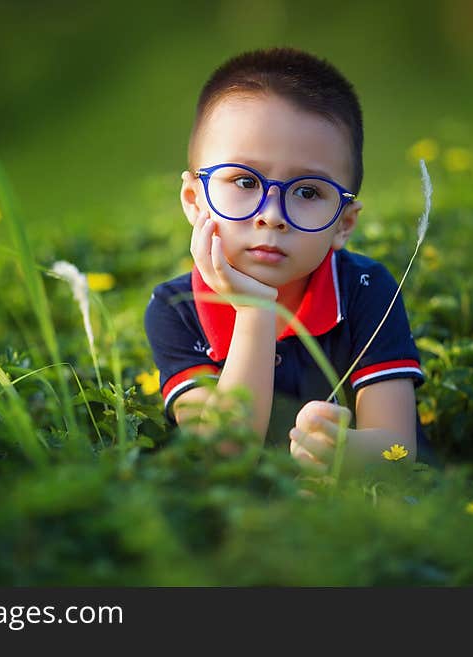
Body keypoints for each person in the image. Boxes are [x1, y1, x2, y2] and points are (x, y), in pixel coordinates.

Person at [144, 46, 436, 474]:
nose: (272, 216)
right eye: (244, 180)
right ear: (194, 200)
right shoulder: (176, 308)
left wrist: (342, 453)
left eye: (307, 192)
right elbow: (221, 455)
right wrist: (255, 310)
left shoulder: (365, 290)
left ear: (344, 223)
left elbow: (397, 449)